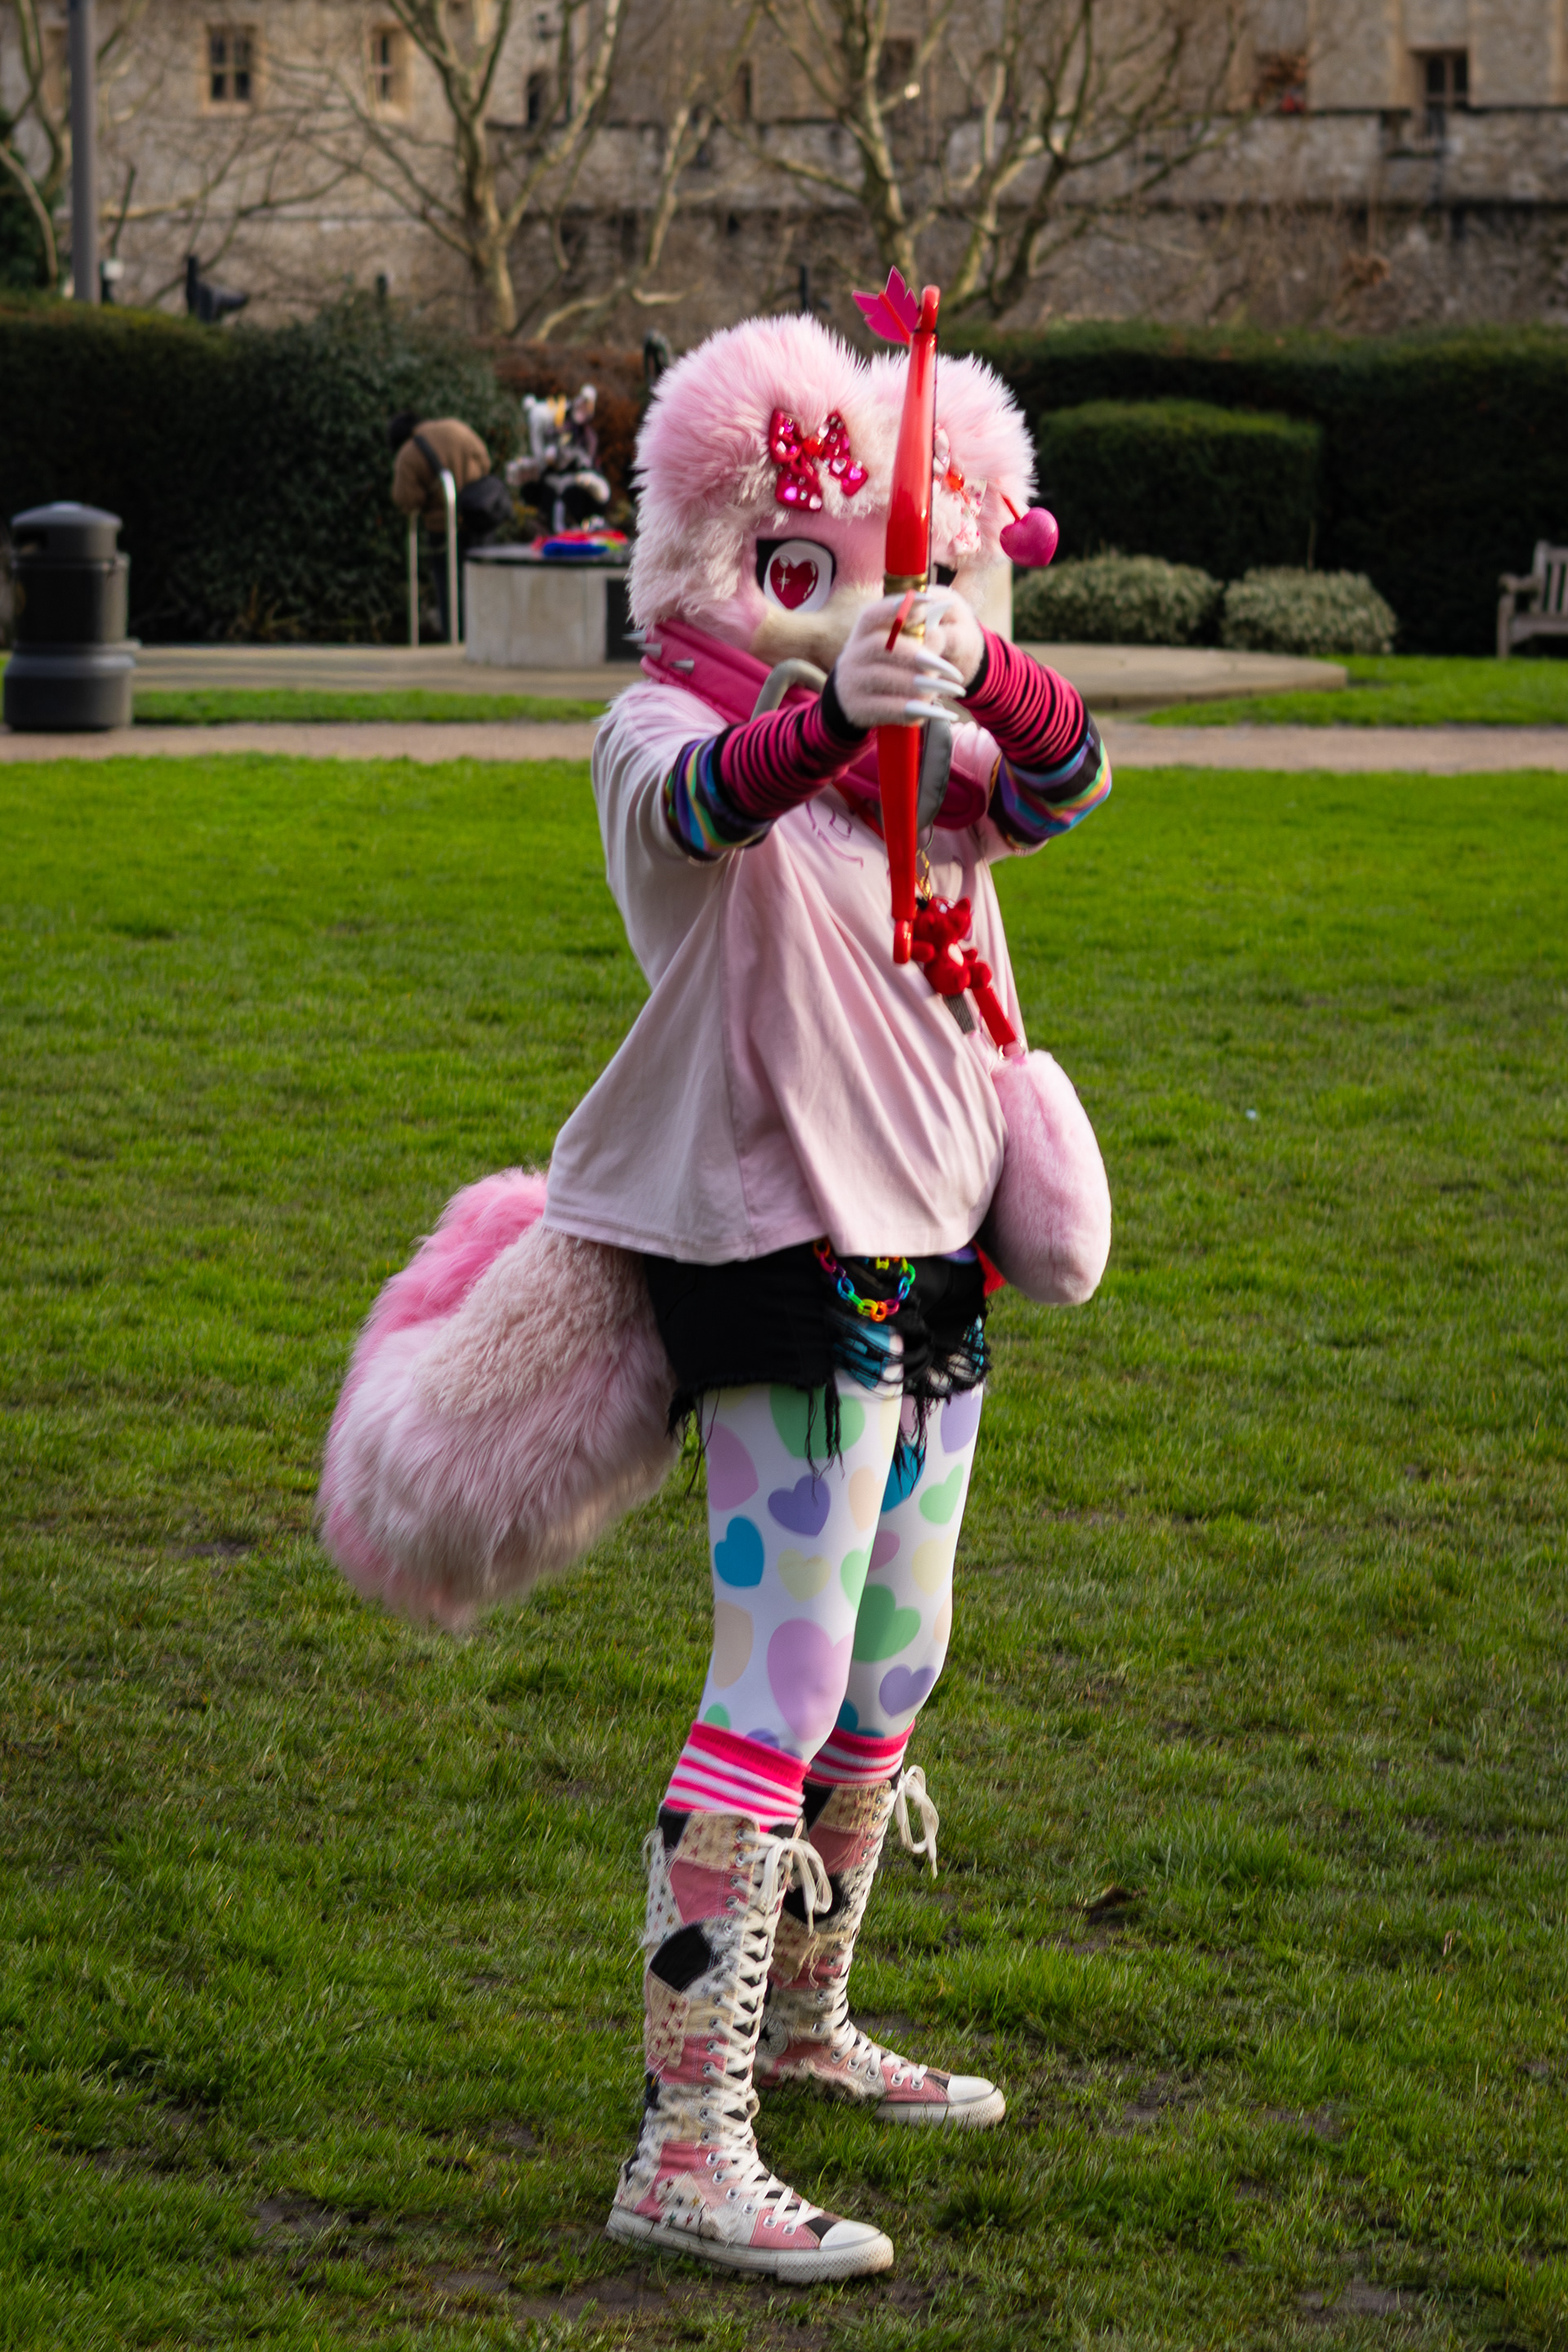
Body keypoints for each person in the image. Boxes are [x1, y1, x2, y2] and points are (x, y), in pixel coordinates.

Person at [531, 311, 1114, 2280]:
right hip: (776, 1251)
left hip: (937, 1242)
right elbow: (701, 805)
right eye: (797, 567)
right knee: (776, 1684)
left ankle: (804, 2024)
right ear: (718, 556)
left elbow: (1066, 779)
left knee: (890, 1663)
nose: (842, 600)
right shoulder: (657, 728)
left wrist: (980, 669)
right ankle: (682, 2148)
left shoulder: (920, 767)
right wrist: (835, 705)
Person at [388, 411, 494, 637]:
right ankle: (484, 636)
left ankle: (455, 638)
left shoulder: (408, 453)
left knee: (449, 588)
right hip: (479, 517)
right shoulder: (456, 427)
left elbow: (405, 498)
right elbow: (484, 460)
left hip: (443, 527)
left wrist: (429, 501)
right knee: (481, 581)